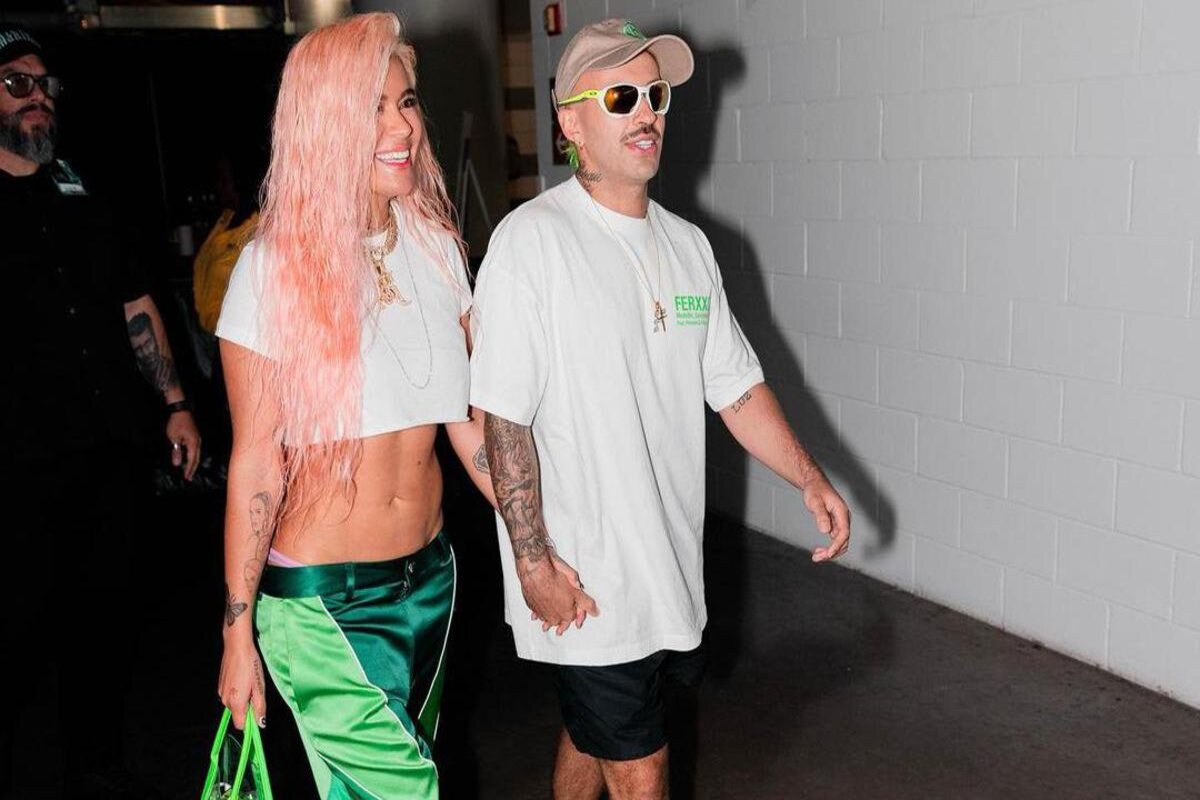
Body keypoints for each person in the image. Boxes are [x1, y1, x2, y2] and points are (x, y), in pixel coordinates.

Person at [470, 18, 852, 800]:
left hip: (669, 574)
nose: (646, 113)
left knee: (596, 733)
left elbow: (736, 388)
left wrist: (808, 477)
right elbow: (503, 418)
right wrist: (533, 561)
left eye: (655, 95)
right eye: (621, 97)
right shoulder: (531, 243)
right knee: (642, 771)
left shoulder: (688, 248)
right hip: (587, 577)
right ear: (571, 121)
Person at [213, 13, 583, 799]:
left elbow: (471, 429)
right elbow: (255, 464)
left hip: (431, 584)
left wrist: (539, 544)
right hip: (323, 604)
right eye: (373, 108)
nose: (402, 127)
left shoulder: (438, 250)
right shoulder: (269, 271)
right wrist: (237, 628)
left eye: (407, 102)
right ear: (324, 125)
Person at [0, 23, 200, 799]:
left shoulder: (80, 190)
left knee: (105, 614)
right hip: (17, 464)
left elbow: (134, 302)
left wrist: (175, 402)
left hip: (106, 446)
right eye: (17, 84)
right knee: (18, 627)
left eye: (45, 85)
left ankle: (94, 766)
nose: (39, 97)